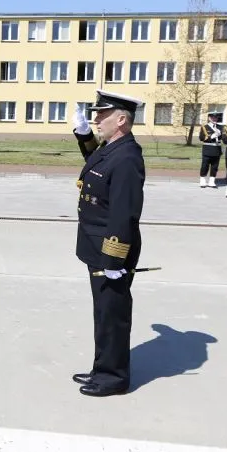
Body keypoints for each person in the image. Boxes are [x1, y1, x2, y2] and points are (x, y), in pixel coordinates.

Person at [70, 90, 145, 397]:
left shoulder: (127, 157)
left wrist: (114, 260)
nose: (97, 119)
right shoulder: (113, 148)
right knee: (103, 313)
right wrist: (83, 135)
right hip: (96, 246)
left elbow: (124, 214)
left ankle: (113, 377)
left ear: (122, 119)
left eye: (102, 115)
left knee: (112, 316)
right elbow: (95, 162)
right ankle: (102, 368)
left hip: (110, 252)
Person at [198, 111, 223, 188]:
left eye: (216, 117)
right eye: (213, 117)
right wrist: (211, 137)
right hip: (208, 149)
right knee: (205, 165)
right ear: (209, 118)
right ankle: (202, 180)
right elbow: (201, 138)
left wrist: (220, 134)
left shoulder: (221, 127)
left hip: (217, 149)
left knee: (215, 166)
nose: (214, 119)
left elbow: (224, 138)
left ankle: (212, 181)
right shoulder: (205, 127)